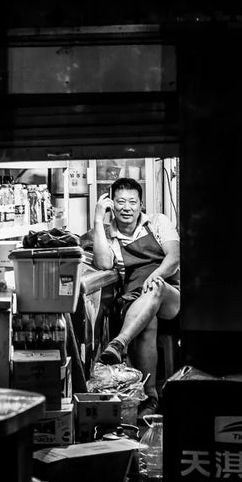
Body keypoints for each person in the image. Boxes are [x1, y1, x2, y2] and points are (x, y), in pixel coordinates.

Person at [92, 177, 180, 418]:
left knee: (157, 288)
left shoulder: (157, 222)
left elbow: (173, 259)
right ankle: (150, 398)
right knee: (147, 321)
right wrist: (99, 219)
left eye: (132, 202)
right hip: (135, 300)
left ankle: (119, 343)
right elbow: (102, 263)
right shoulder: (110, 234)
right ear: (111, 205)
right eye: (120, 202)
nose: (126, 207)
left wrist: (155, 276)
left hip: (170, 295)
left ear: (141, 204)